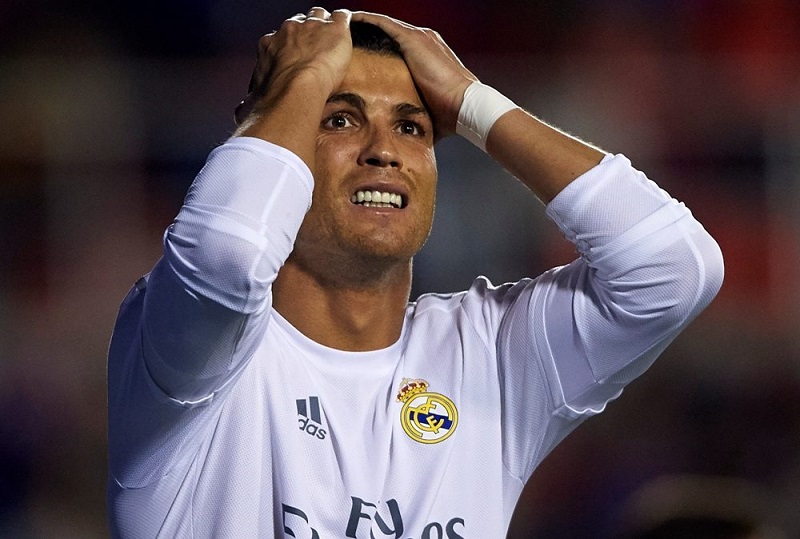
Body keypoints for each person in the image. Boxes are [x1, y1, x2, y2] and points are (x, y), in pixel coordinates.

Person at [106, 7, 724, 538]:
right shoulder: (183, 345)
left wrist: (474, 103)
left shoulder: (488, 355)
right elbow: (227, 256)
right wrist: (297, 83)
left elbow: (675, 270)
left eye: (411, 126)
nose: (384, 150)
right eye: (338, 119)